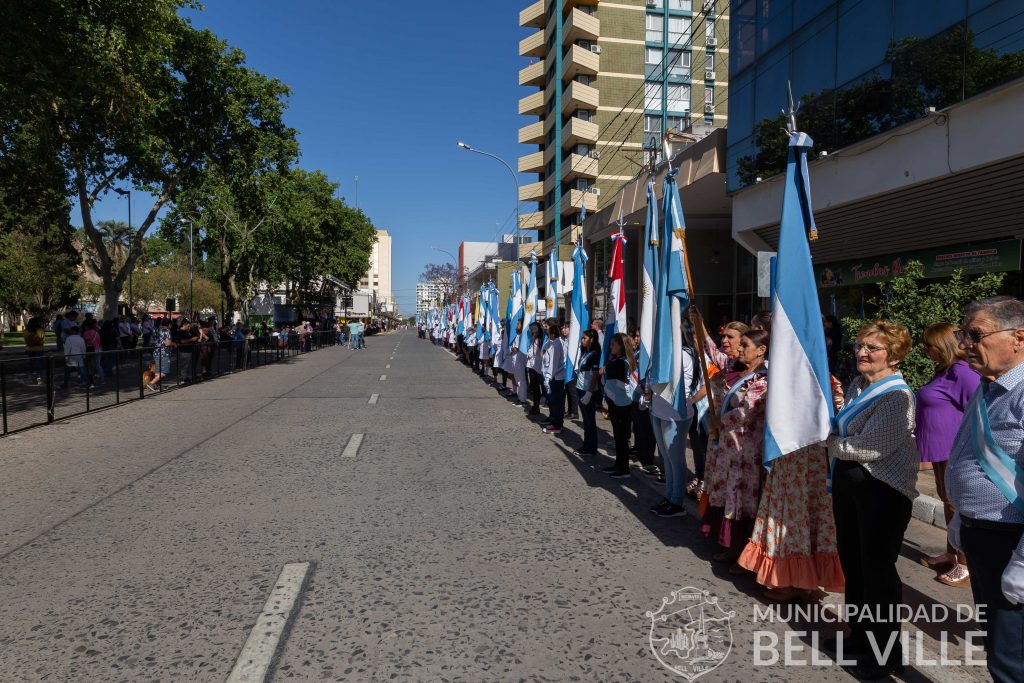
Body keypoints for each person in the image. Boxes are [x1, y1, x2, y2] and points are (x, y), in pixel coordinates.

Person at [827, 320, 917, 679]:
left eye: (873, 348)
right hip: (851, 482)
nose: (862, 353)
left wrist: (829, 444)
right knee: (853, 563)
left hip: (884, 489)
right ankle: (861, 636)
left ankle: (885, 652)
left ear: (894, 355)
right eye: (860, 346)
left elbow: (872, 446)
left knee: (878, 570)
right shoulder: (858, 384)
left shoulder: (898, 395)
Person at [946, 297, 1024, 683]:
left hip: (1013, 541)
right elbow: (971, 453)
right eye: (965, 334)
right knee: (997, 644)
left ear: (1018, 337)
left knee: (1011, 658)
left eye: (975, 335)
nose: (964, 344)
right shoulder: (989, 387)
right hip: (984, 535)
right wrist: (963, 514)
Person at [738, 373, 846, 602]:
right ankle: (798, 579)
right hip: (793, 456)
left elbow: (835, 413)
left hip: (807, 457)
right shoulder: (792, 370)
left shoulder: (823, 378)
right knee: (795, 515)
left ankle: (796, 580)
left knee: (796, 517)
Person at [916, 322, 981, 587]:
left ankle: (965, 564)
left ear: (943, 345)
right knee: (947, 500)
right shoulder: (944, 370)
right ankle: (952, 553)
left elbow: (977, 411)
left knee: (956, 504)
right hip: (942, 451)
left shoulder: (962, 372)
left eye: (929, 345)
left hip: (954, 450)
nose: (925, 350)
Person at [701, 329, 769, 569]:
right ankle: (730, 545)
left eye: (745, 345)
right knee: (729, 492)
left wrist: (719, 421)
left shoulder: (763, 379)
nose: (739, 349)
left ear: (761, 350)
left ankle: (741, 550)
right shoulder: (740, 371)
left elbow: (747, 411)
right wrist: (698, 326)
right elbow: (713, 352)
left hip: (747, 450)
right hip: (729, 447)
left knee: (743, 498)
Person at [648, 320, 700, 519]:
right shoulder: (670, 353)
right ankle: (669, 496)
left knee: (675, 460)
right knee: (666, 459)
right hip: (659, 410)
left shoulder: (685, 355)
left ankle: (676, 501)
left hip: (675, 415)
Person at [602, 333, 636, 479]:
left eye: (613, 345)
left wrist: (608, 367)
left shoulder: (622, 362)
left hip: (622, 404)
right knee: (618, 436)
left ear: (621, 346)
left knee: (622, 437)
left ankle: (624, 468)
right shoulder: (618, 360)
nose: (610, 347)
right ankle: (618, 464)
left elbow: (612, 375)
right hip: (615, 403)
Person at [574, 330, 601, 456]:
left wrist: (589, 392)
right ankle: (586, 444)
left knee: (590, 420)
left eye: (584, 338)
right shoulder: (585, 352)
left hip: (588, 390)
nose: (582, 340)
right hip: (580, 388)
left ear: (592, 339)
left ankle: (591, 447)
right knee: (585, 419)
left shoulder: (595, 354)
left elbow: (595, 375)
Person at [541, 321, 565, 434]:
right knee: (557, 402)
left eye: (549, 332)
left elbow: (553, 363)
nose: (548, 334)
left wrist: (548, 377)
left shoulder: (556, 344)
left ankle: (557, 425)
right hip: (556, 377)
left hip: (555, 378)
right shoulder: (556, 342)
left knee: (556, 402)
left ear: (553, 334)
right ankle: (557, 423)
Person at [561, 323, 579, 420]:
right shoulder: (566, 340)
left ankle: (575, 412)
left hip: (571, 369)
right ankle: (570, 410)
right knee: (568, 390)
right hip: (565, 368)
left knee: (572, 391)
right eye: (563, 328)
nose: (563, 330)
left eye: (565, 328)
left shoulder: (573, 341)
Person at [526, 322, 544, 416]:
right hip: (533, 366)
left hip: (537, 367)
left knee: (538, 388)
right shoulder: (534, 340)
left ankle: (537, 406)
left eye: (530, 329)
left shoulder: (538, 341)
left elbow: (533, 353)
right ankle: (536, 406)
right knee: (535, 389)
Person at [150, 317, 174, 390]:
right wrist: (174, 343)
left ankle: (158, 385)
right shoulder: (167, 330)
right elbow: (168, 343)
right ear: (169, 324)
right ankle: (151, 383)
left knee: (159, 371)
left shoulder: (158, 329)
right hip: (164, 353)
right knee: (164, 371)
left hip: (157, 352)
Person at [61, 324, 88, 388]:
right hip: (79, 355)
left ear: (73, 331)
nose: (69, 332)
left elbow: (67, 348)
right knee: (81, 369)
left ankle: (66, 383)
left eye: (71, 330)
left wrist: (66, 357)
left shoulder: (69, 338)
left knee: (67, 371)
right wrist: (84, 356)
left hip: (71, 356)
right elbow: (83, 348)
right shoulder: (81, 339)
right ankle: (85, 382)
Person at [23, 317, 46, 385]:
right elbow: (43, 340)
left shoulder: (27, 331)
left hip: (30, 349)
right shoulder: (40, 330)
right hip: (39, 349)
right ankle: (40, 378)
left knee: (31, 364)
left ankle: (32, 378)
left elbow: (25, 340)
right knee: (39, 364)